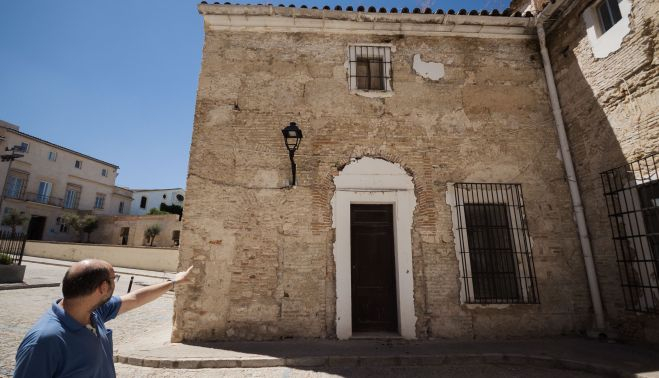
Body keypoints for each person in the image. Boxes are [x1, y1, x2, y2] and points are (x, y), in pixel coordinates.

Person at [13, 259, 192, 378]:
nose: (115, 283)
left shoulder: (95, 312)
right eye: (114, 279)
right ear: (103, 287)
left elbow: (135, 298)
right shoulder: (45, 340)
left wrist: (174, 282)